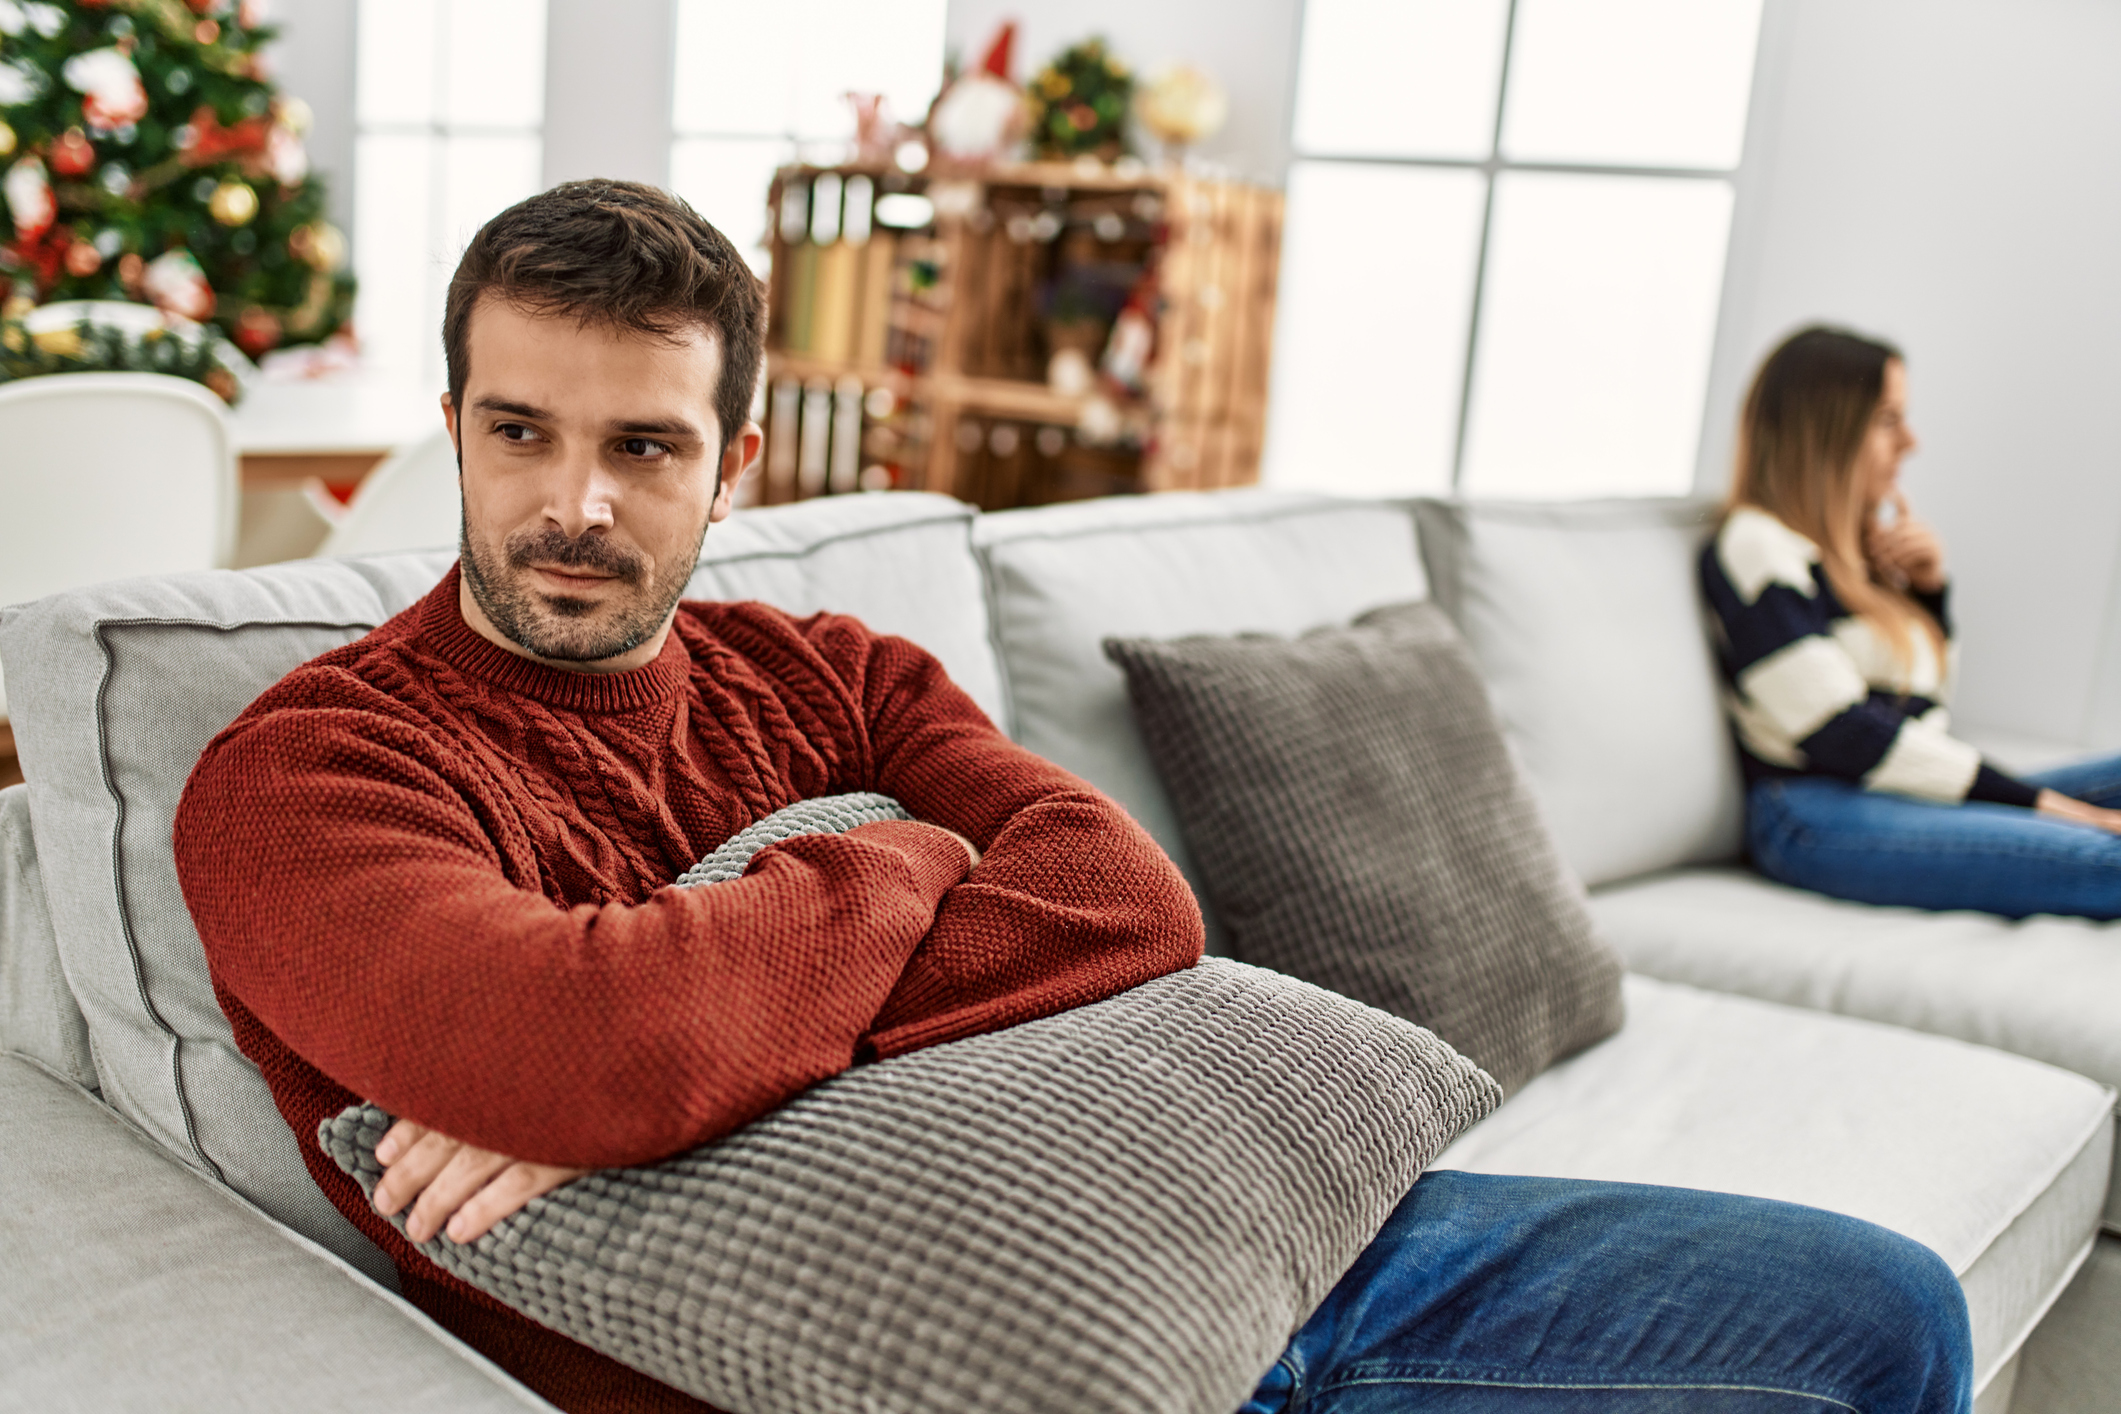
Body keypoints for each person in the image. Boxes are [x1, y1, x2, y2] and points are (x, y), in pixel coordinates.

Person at [176, 183, 1972, 1414]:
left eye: (641, 445)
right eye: (520, 432)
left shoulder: (832, 674)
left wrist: (699, 1007)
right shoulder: (313, 772)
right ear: (458, 421)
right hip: (925, 1351)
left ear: (730, 465)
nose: (572, 502)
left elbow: (1132, 903)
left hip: (1287, 1241)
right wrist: (887, 853)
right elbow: (586, 1054)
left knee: (1887, 1312)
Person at [1703, 325, 2121, 919]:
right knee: (2107, 862)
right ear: (1828, 430)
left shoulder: (1855, 557)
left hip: (1889, 788)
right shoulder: (1758, 547)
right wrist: (2057, 809)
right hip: (1809, 810)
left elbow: (1927, 713)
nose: (1912, 442)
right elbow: (1847, 734)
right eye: (1888, 420)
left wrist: (1927, 599)